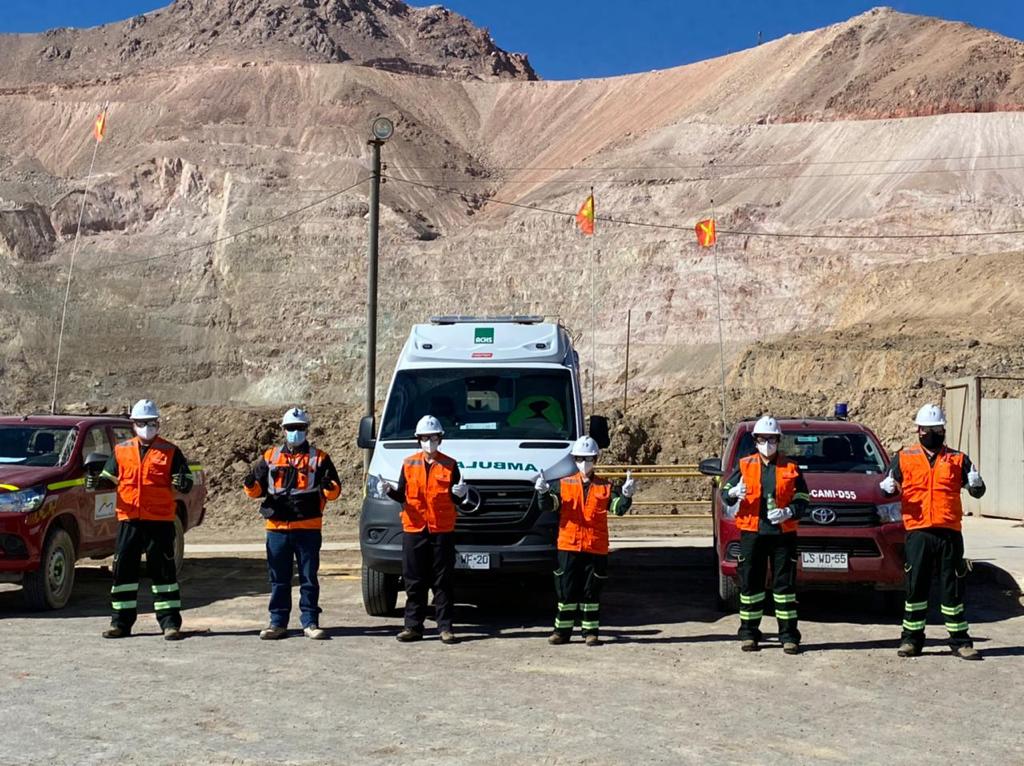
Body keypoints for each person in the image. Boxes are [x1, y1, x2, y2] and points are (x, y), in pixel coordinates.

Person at [880, 404, 986, 660]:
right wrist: (886, 487)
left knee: (952, 588)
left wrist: (976, 483)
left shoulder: (958, 459)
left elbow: (978, 492)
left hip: (949, 532)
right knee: (916, 587)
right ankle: (911, 640)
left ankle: (960, 641)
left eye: (937, 429)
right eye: (927, 429)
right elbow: (888, 489)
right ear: (918, 430)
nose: (931, 433)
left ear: (943, 430)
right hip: (918, 533)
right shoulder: (904, 458)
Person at [88, 399, 194, 640]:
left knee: (163, 574)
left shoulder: (170, 451)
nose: (147, 427)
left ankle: (170, 624)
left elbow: (186, 481)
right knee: (123, 572)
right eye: (142, 423)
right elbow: (108, 476)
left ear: (158, 423)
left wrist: (183, 483)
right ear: (133, 424)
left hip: (160, 522)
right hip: (129, 520)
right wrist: (96, 482)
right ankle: (121, 624)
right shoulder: (121, 450)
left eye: (151, 423)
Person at [243, 407, 341, 640]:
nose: (295, 432)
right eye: (290, 428)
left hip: (308, 528)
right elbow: (256, 491)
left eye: (299, 428)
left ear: (306, 429)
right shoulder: (270, 457)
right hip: (277, 529)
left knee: (308, 578)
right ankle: (277, 623)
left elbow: (335, 493)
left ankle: (310, 622)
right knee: (278, 579)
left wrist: (328, 485)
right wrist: (249, 483)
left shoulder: (321, 458)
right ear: (283, 430)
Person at [375, 415, 473, 644]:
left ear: (441, 439)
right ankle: (413, 627)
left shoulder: (450, 465)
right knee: (414, 580)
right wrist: (388, 490)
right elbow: (402, 496)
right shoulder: (409, 464)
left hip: (442, 530)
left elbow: (456, 498)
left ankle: (445, 627)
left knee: (443, 581)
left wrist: (460, 495)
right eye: (425, 438)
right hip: (414, 529)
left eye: (434, 437)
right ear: (418, 439)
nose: (429, 442)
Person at [720, 415, 810, 654]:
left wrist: (789, 511)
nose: (767, 443)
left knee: (784, 587)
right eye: (762, 439)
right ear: (755, 440)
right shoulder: (744, 465)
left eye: (771, 439)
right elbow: (726, 492)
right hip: (752, 533)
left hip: (783, 534)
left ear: (779, 440)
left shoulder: (791, 468)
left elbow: (803, 498)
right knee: (751, 585)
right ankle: (749, 633)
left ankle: (789, 635)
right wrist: (733, 493)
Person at [536, 435, 635, 646]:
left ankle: (591, 633)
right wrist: (543, 493)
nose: (584, 463)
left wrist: (626, 495)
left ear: (596, 460)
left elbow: (617, 509)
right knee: (566, 590)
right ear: (574, 459)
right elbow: (549, 506)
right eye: (580, 458)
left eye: (588, 458)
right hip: (569, 544)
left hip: (595, 546)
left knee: (591, 591)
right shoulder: (563, 485)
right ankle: (561, 633)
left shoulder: (605, 487)